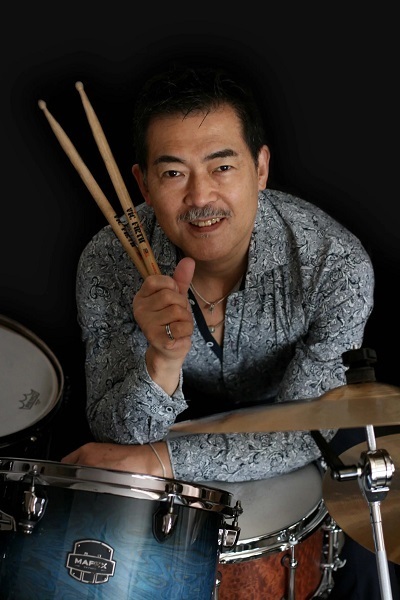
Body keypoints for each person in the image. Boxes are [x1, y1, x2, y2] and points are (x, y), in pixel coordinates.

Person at [61, 63, 399, 597]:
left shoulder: (334, 263)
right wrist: (161, 362)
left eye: (222, 167)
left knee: (369, 547)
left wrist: (160, 459)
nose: (200, 197)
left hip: (303, 410)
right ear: (142, 184)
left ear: (260, 168)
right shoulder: (108, 262)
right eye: (174, 174)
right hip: (180, 414)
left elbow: (309, 424)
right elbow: (115, 434)